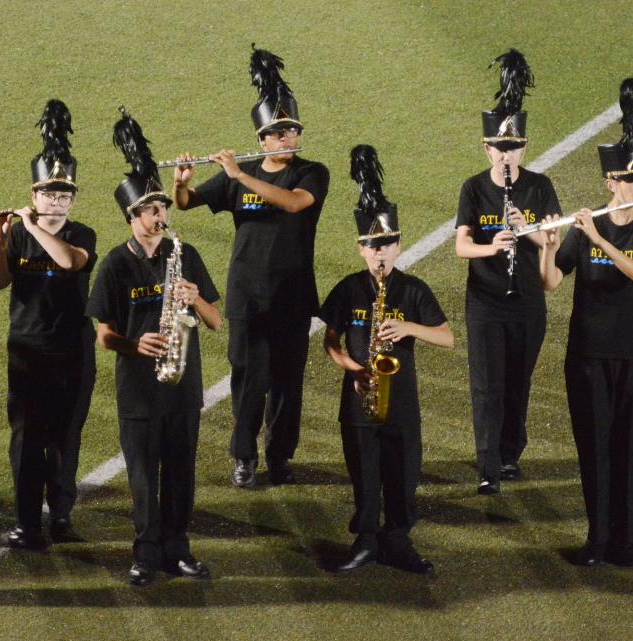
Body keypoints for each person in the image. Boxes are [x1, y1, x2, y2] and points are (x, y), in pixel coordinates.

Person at [173, 46, 329, 488]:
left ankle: (280, 457)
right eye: (278, 134)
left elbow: (294, 204)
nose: (287, 139)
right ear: (261, 139)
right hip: (247, 294)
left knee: (286, 383)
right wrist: (180, 183)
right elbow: (185, 205)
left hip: (293, 295)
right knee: (248, 380)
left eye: (291, 131)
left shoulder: (312, 172)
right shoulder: (233, 175)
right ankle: (244, 457)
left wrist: (241, 177)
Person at [87, 109, 221, 586]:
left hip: (183, 386)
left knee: (181, 475)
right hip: (140, 391)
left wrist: (195, 297)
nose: (161, 216)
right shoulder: (113, 266)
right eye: (151, 210)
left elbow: (216, 321)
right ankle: (145, 554)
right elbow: (103, 334)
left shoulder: (183, 255)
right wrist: (133, 342)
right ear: (132, 216)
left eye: (163, 208)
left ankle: (177, 549)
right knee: (144, 478)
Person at [541, 79, 633, 567]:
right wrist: (550, 247)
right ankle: (597, 538)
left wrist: (599, 237)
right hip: (588, 356)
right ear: (609, 182)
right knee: (594, 447)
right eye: (631, 180)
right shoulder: (586, 225)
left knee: (630, 447)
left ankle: (625, 541)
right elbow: (552, 282)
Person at [321, 145, 453, 575]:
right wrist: (353, 369)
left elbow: (447, 337)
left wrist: (409, 328)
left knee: (401, 474)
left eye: (387, 244)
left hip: (401, 404)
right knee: (364, 474)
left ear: (399, 245)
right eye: (372, 245)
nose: (380, 252)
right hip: (359, 400)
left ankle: (398, 540)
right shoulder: (347, 289)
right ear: (360, 248)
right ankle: (366, 540)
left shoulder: (413, 290)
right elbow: (331, 342)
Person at [0, 99, 97, 549]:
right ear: (33, 195)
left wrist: (33, 229)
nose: (55, 200)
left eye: (63, 195)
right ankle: (27, 523)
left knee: (65, 437)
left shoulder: (80, 234)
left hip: (71, 350)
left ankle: (62, 516)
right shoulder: (15, 234)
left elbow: (69, 263)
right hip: (27, 350)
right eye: (48, 194)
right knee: (27, 440)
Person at [455, 49, 560, 495]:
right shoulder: (473, 189)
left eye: (513, 146)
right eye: (499, 147)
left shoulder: (539, 186)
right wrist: (489, 245)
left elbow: (555, 241)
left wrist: (527, 228)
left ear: (524, 147)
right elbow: (461, 246)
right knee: (487, 384)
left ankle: (510, 452)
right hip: (485, 301)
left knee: (518, 381)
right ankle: (487, 464)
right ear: (486, 148)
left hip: (527, 302)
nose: (506, 154)